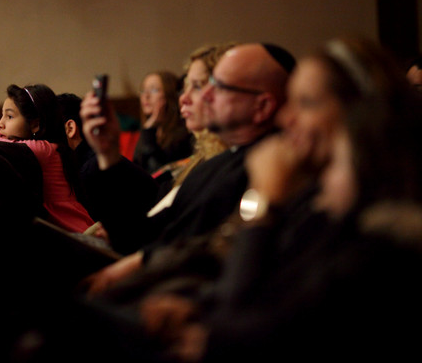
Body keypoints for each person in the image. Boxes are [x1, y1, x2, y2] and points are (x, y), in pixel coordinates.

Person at [136, 37, 422, 361]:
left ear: (356, 114)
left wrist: (264, 197)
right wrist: (197, 307)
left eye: (306, 103)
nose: (286, 119)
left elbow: (242, 319)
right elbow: (247, 272)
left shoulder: (384, 234)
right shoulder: (313, 200)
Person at [80, 43, 296, 291]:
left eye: (220, 87)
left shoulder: (268, 171)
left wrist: (135, 266)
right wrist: (107, 152)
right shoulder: (212, 165)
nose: (204, 96)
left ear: (262, 107)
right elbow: (136, 238)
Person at [0, 84, 94, 234]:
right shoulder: (46, 146)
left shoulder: (45, 149)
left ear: (35, 124)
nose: (0, 124)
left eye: (10, 116)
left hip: (77, 232)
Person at [149, 43, 235, 216]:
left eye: (197, 86)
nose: (183, 98)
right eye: (185, 87)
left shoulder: (228, 165)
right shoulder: (202, 156)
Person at [133, 71, 193, 174]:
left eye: (154, 90)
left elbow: (158, 174)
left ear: (169, 96)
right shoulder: (148, 128)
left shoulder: (183, 133)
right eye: (143, 90)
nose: (146, 96)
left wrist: (148, 132)